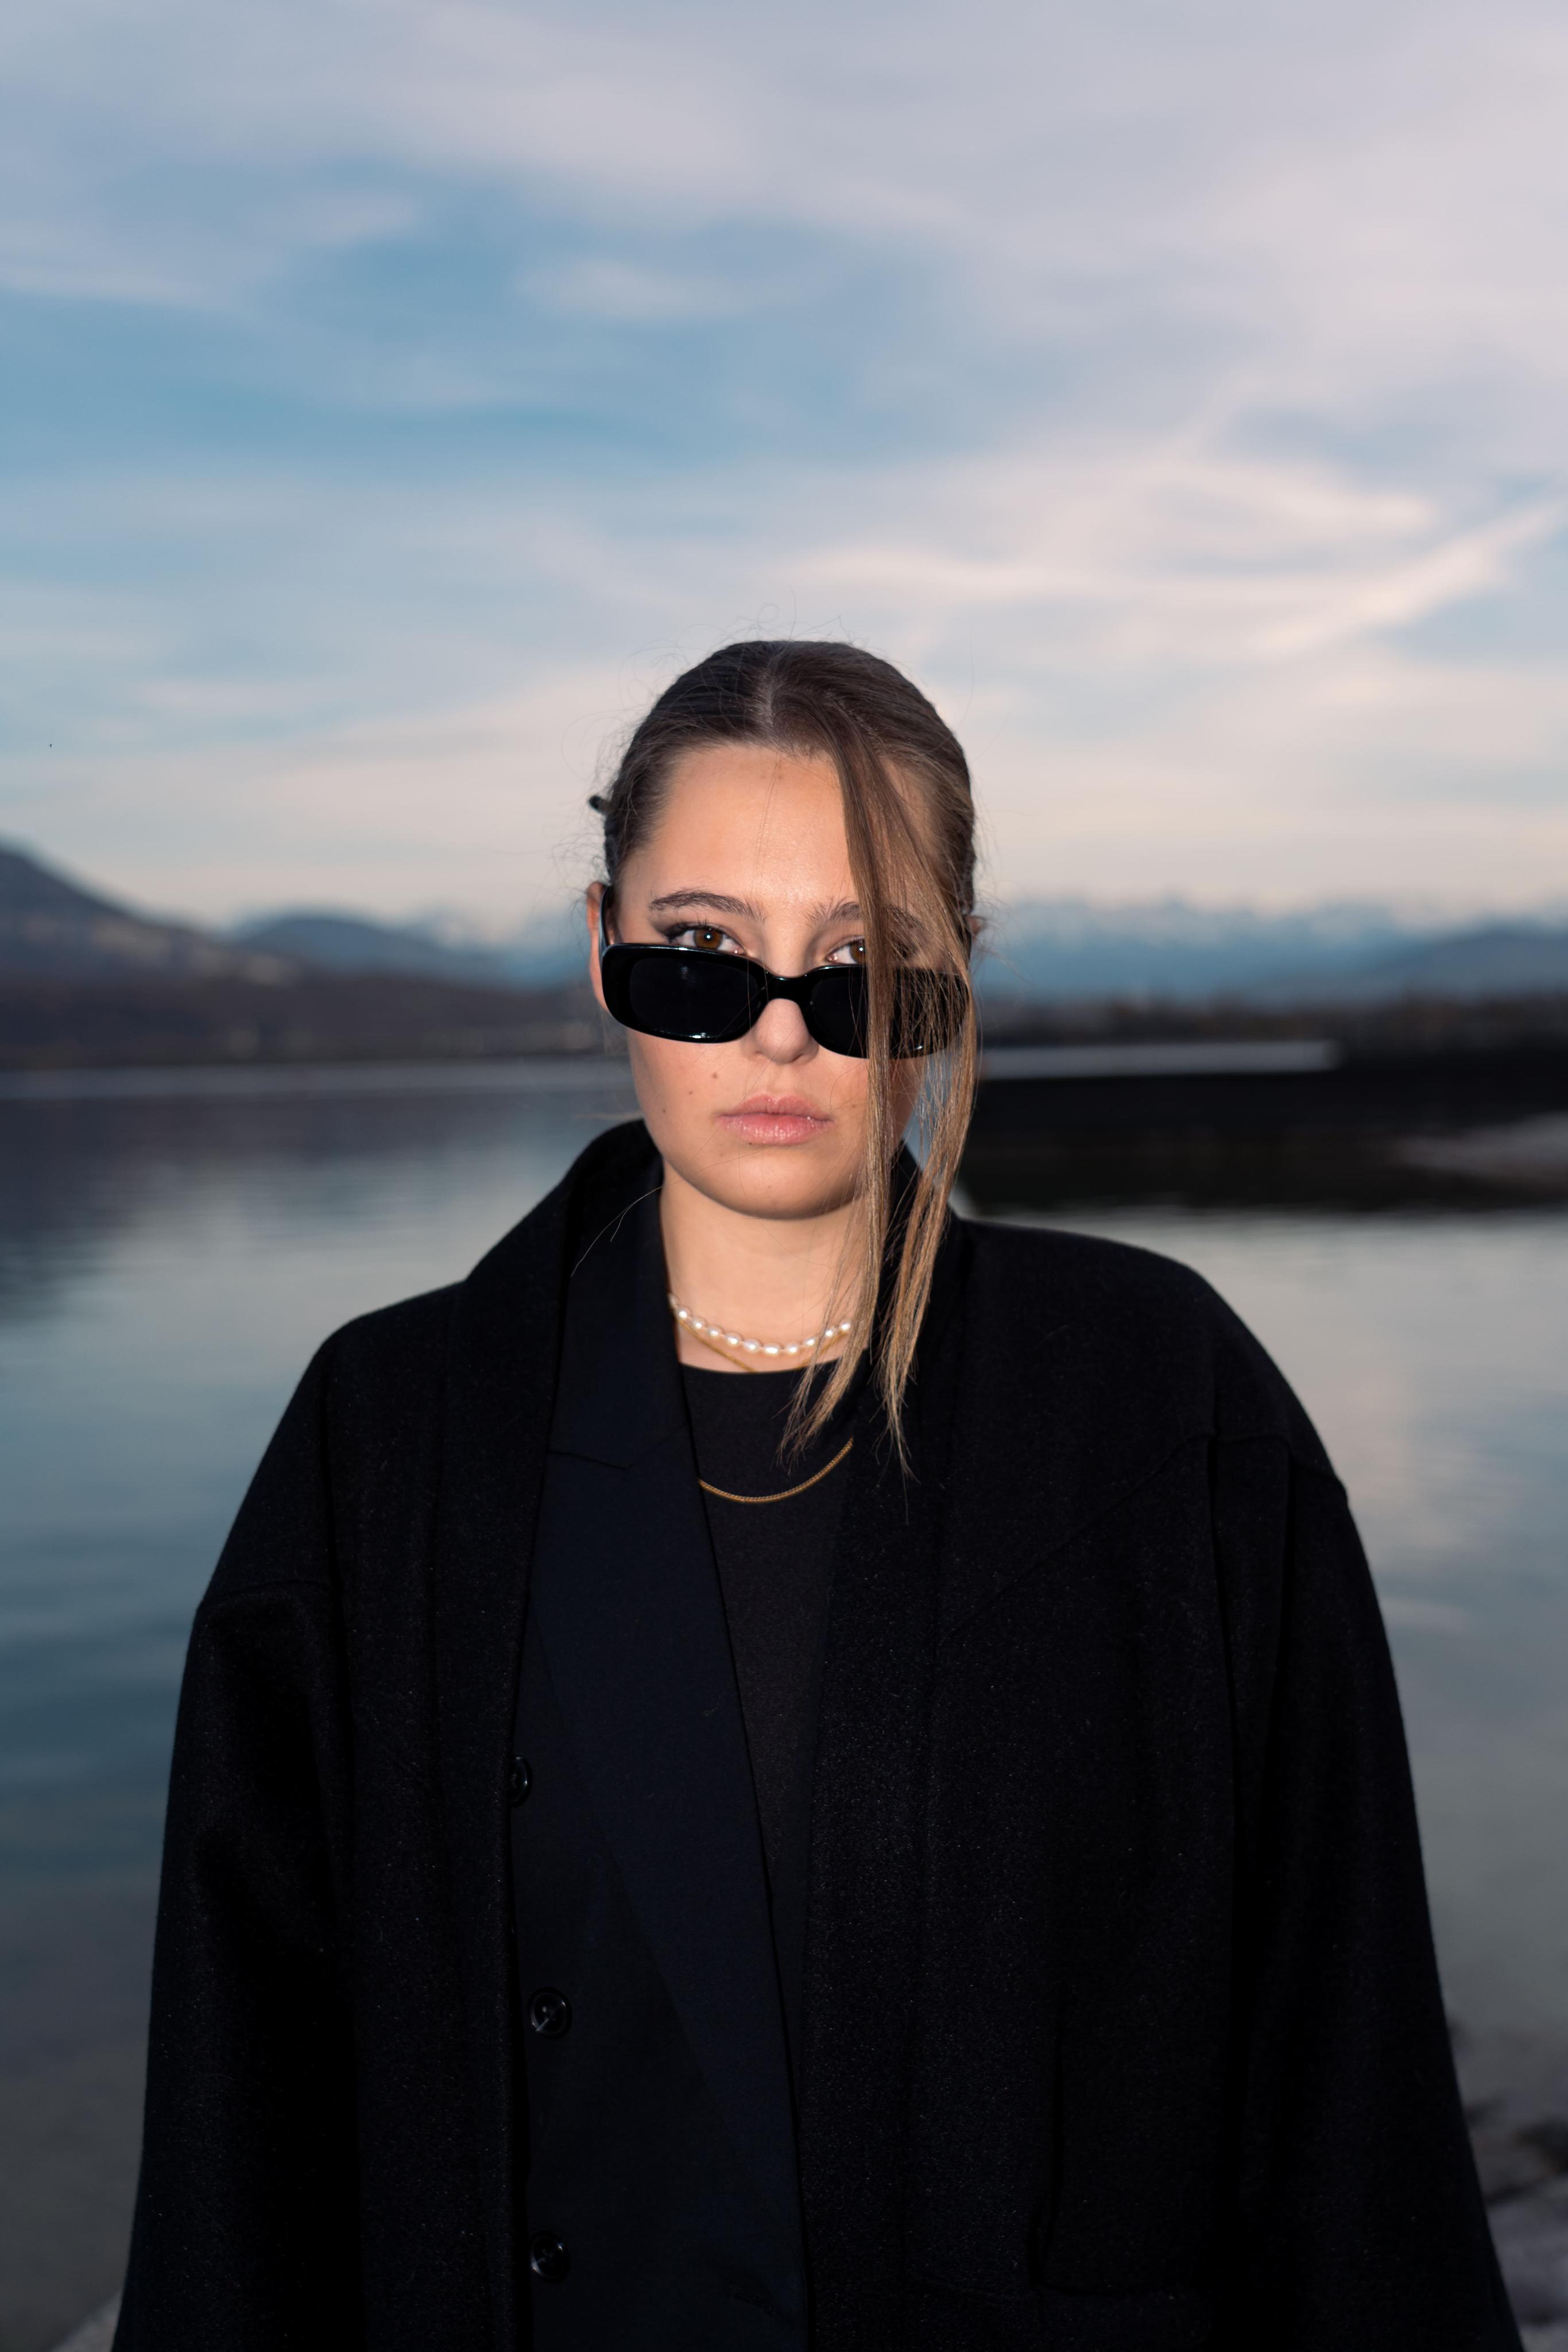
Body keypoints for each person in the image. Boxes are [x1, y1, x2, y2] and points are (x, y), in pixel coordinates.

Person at [114, 640, 1518, 2352]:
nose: (779, 1032)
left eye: (862, 966)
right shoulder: (385, 1438)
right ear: (600, 946)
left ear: (955, 983)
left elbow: (1341, 2067)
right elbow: (239, 2112)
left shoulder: (1163, 1408)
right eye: (703, 958)